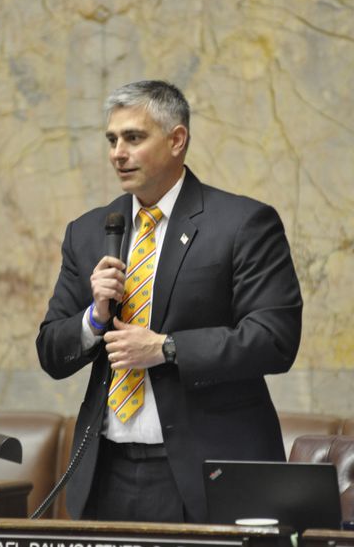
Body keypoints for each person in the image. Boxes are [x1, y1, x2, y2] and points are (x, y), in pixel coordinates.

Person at [36, 80, 302, 524]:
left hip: (205, 472)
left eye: (133, 138)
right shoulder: (88, 231)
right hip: (106, 474)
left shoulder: (242, 223)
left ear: (177, 140)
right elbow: (51, 351)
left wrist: (165, 348)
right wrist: (94, 318)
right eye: (112, 139)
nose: (117, 153)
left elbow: (274, 340)